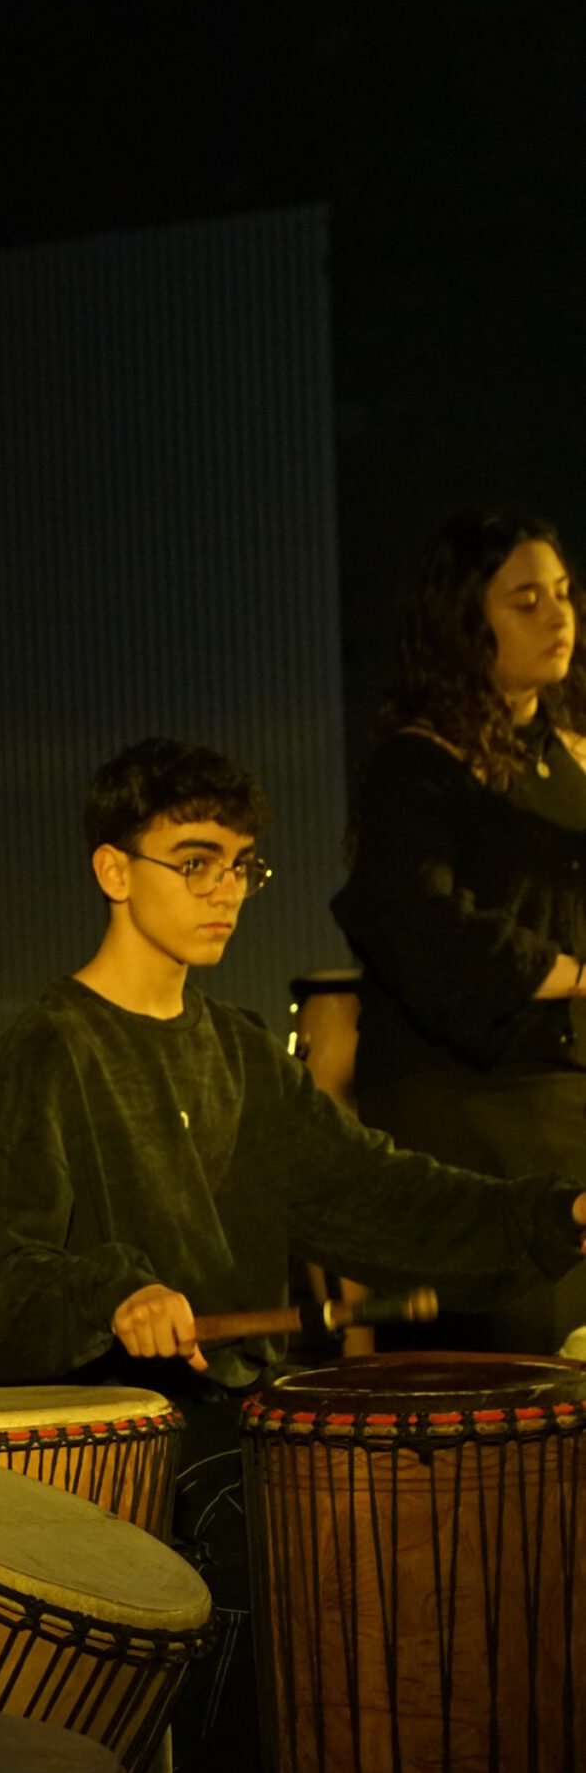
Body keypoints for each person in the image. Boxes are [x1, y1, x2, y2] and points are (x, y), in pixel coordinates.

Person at [0, 736, 586, 1773]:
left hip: (242, 1425)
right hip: (146, 1448)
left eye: (240, 865)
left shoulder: (236, 1052)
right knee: (267, 1505)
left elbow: (373, 1190)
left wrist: (546, 1215)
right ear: (112, 871)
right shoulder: (47, 1052)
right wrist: (116, 1292)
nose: (226, 892)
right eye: (194, 862)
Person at [333, 509, 586, 1351]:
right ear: (463, 620)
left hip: (565, 1098)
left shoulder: (570, 756)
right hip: (466, 1109)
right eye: (525, 600)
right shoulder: (418, 763)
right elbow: (406, 914)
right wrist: (569, 973)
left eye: (562, 595)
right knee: (502, 1369)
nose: (555, 617)